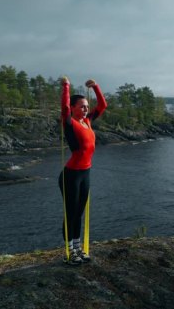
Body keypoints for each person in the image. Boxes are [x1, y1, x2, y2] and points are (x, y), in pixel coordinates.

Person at [59, 76, 107, 264]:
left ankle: (78, 248)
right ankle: (69, 252)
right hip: (71, 175)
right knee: (70, 214)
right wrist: (66, 86)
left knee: (79, 213)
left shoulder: (87, 121)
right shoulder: (69, 122)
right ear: (73, 108)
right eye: (81, 106)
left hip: (85, 173)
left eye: (86, 106)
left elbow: (102, 106)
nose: (86, 109)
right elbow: (63, 107)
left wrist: (95, 86)